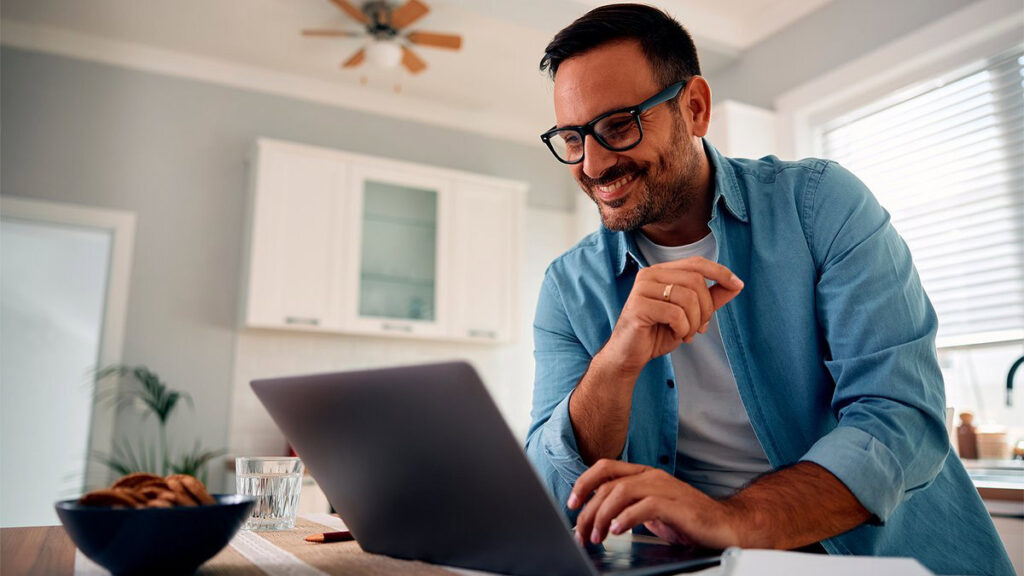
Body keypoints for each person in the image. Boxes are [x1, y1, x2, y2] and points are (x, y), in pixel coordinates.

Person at [523, 5, 1014, 575]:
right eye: (572, 138)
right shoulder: (568, 286)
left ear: (695, 107)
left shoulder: (822, 206)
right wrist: (616, 362)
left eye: (618, 126)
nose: (594, 162)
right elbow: (553, 494)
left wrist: (732, 520)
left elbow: (899, 420)